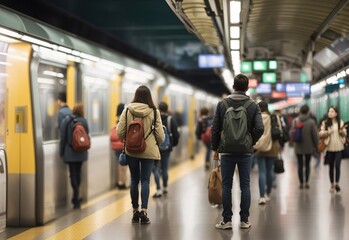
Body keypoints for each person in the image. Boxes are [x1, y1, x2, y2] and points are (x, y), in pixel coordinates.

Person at [211, 74, 264, 230]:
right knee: (245, 185)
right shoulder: (253, 105)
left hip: (226, 151)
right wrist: (250, 141)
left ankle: (226, 220)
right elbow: (260, 128)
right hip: (245, 152)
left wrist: (215, 148)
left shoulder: (222, 104)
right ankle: (244, 220)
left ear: (233, 86)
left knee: (227, 185)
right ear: (247, 87)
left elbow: (215, 128)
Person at [117, 85, 165, 224]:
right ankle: (144, 212)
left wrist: (130, 136)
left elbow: (120, 132)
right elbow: (161, 137)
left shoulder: (127, 111)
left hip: (131, 150)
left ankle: (134, 211)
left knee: (133, 180)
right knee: (145, 180)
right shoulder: (154, 112)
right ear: (149, 97)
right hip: (148, 151)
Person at [60, 102, 89, 209]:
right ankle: (76, 197)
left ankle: (75, 196)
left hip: (70, 151)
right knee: (78, 173)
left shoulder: (66, 120)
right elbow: (87, 135)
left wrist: (61, 152)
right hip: (81, 151)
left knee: (73, 174)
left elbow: (63, 137)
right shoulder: (84, 121)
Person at [152, 101, 180, 198]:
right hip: (166, 148)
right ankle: (165, 188)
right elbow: (176, 134)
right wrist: (172, 145)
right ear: (167, 109)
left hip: (155, 148)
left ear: (158, 109)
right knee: (165, 169)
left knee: (154, 168)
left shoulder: (155, 119)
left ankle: (158, 189)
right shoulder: (170, 119)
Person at [254, 101, 279, 204]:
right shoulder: (273, 117)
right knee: (269, 171)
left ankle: (262, 196)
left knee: (262, 172)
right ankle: (268, 193)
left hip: (259, 147)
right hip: (272, 147)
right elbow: (279, 131)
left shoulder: (256, 118)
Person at [319, 106, 346, 193]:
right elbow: (320, 133)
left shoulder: (340, 122)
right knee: (331, 167)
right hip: (329, 149)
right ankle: (332, 184)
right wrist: (327, 132)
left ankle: (337, 183)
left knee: (337, 166)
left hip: (339, 148)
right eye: (329, 111)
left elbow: (344, 133)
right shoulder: (325, 123)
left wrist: (343, 132)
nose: (330, 113)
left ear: (336, 113)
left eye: (332, 111)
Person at [292, 105, 319, 189]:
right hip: (309, 147)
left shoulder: (295, 121)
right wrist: (316, 145)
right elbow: (315, 135)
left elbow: (292, 134)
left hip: (298, 147)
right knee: (307, 164)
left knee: (300, 165)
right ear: (308, 111)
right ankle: (306, 182)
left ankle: (301, 183)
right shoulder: (311, 122)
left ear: (300, 111)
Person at [114, 103, 128, 189]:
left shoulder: (116, 121)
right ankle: (123, 182)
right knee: (124, 166)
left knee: (120, 165)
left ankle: (121, 181)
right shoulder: (124, 120)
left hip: (117, 147)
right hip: (123, 146)